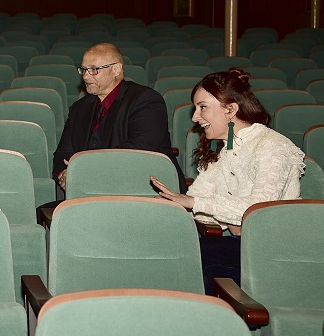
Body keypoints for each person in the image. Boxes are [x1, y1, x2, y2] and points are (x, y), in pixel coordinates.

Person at [152, 68, 304, 293]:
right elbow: (200, 199)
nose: (194, 117)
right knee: (165, 249)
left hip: (272, 255)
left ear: (231, 109)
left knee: (186, 260)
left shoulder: (272, 146)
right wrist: (168, 207)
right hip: (242, 247)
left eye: (202, 107)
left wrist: (192, 203)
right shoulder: (226, 147)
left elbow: (258, 210)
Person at [52, 42, 186, 197]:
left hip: (141, 192)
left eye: (94, 70)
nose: (85, 76)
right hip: (90, 193)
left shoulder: (145, 100)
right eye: (83, 70)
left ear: (116, 69)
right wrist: (64, 175)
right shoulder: (80, 108)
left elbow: (139, 149)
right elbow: (63, 152)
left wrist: (82, 170)